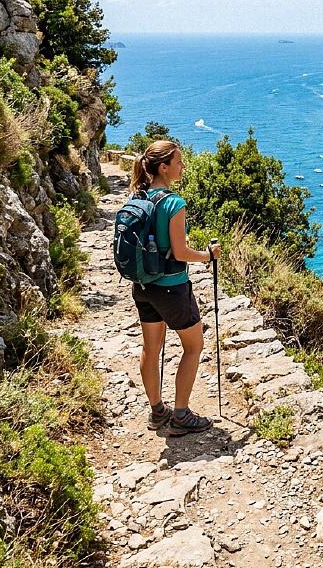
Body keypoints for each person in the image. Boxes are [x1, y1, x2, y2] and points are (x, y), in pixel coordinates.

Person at [128, 139, 221, 436]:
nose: (183, 166)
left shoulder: (136, 198)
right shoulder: (173, 203)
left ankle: (157, 411)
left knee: (151, 348)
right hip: (172, 287)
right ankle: (180, 415)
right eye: (178, 162)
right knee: (194, 346)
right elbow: (180, 253)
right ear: (164, 167)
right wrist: (208, 255)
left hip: (143, 287)